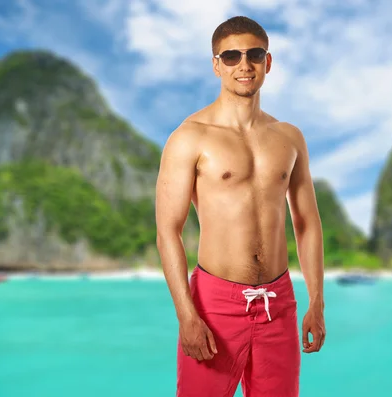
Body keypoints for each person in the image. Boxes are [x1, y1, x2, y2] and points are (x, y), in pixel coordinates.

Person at [155, 15, 326, 397]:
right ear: (217, 65)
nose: (244, 65)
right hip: (214, 304)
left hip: (278, 304)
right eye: (231, 56)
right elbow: (168, 230)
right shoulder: (189, 137)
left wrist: (316, 301)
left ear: (268, 61)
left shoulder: (289, 137)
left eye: (254, 54)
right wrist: (187, 314)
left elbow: (307, 223)